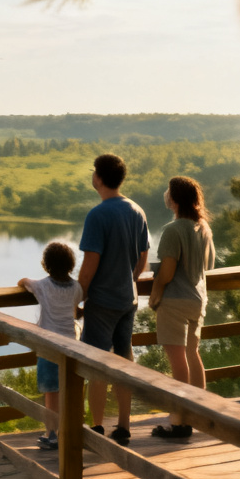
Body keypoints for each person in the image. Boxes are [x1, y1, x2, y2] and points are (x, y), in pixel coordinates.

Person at [77, 154, 150, 445]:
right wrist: (130, 281)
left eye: (94, 172)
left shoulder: (98, 214)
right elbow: (143, 257)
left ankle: (96, 427)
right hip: (127, 300)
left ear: (98, 178)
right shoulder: (136, 210)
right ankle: (123, 426)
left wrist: (78, 297)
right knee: (124, 360)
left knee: (96, 363)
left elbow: (90, 263)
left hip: (103, 302)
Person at [148, 176, 216, 439]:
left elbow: (166, 272)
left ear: (174, 198)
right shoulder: (203, 228)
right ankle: (199, 411)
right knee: (193, 353)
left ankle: (179, 421)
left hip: (175, 300)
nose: (165, 194)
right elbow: (206, 266)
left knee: (178, 362)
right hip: (197, 299)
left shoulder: (173, 230)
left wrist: (155, 295)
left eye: (168, 190)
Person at [19, 241, 84, 450]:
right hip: (69, 345)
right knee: (67, 390)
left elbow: (23, 282)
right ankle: (68, 431)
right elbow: (75, 308)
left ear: (46, 265)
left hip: (48, 346)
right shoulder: (76, 287)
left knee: (51, 392)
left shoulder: (42, 286)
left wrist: (25, 280)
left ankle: (51, 433)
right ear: (71, 265)